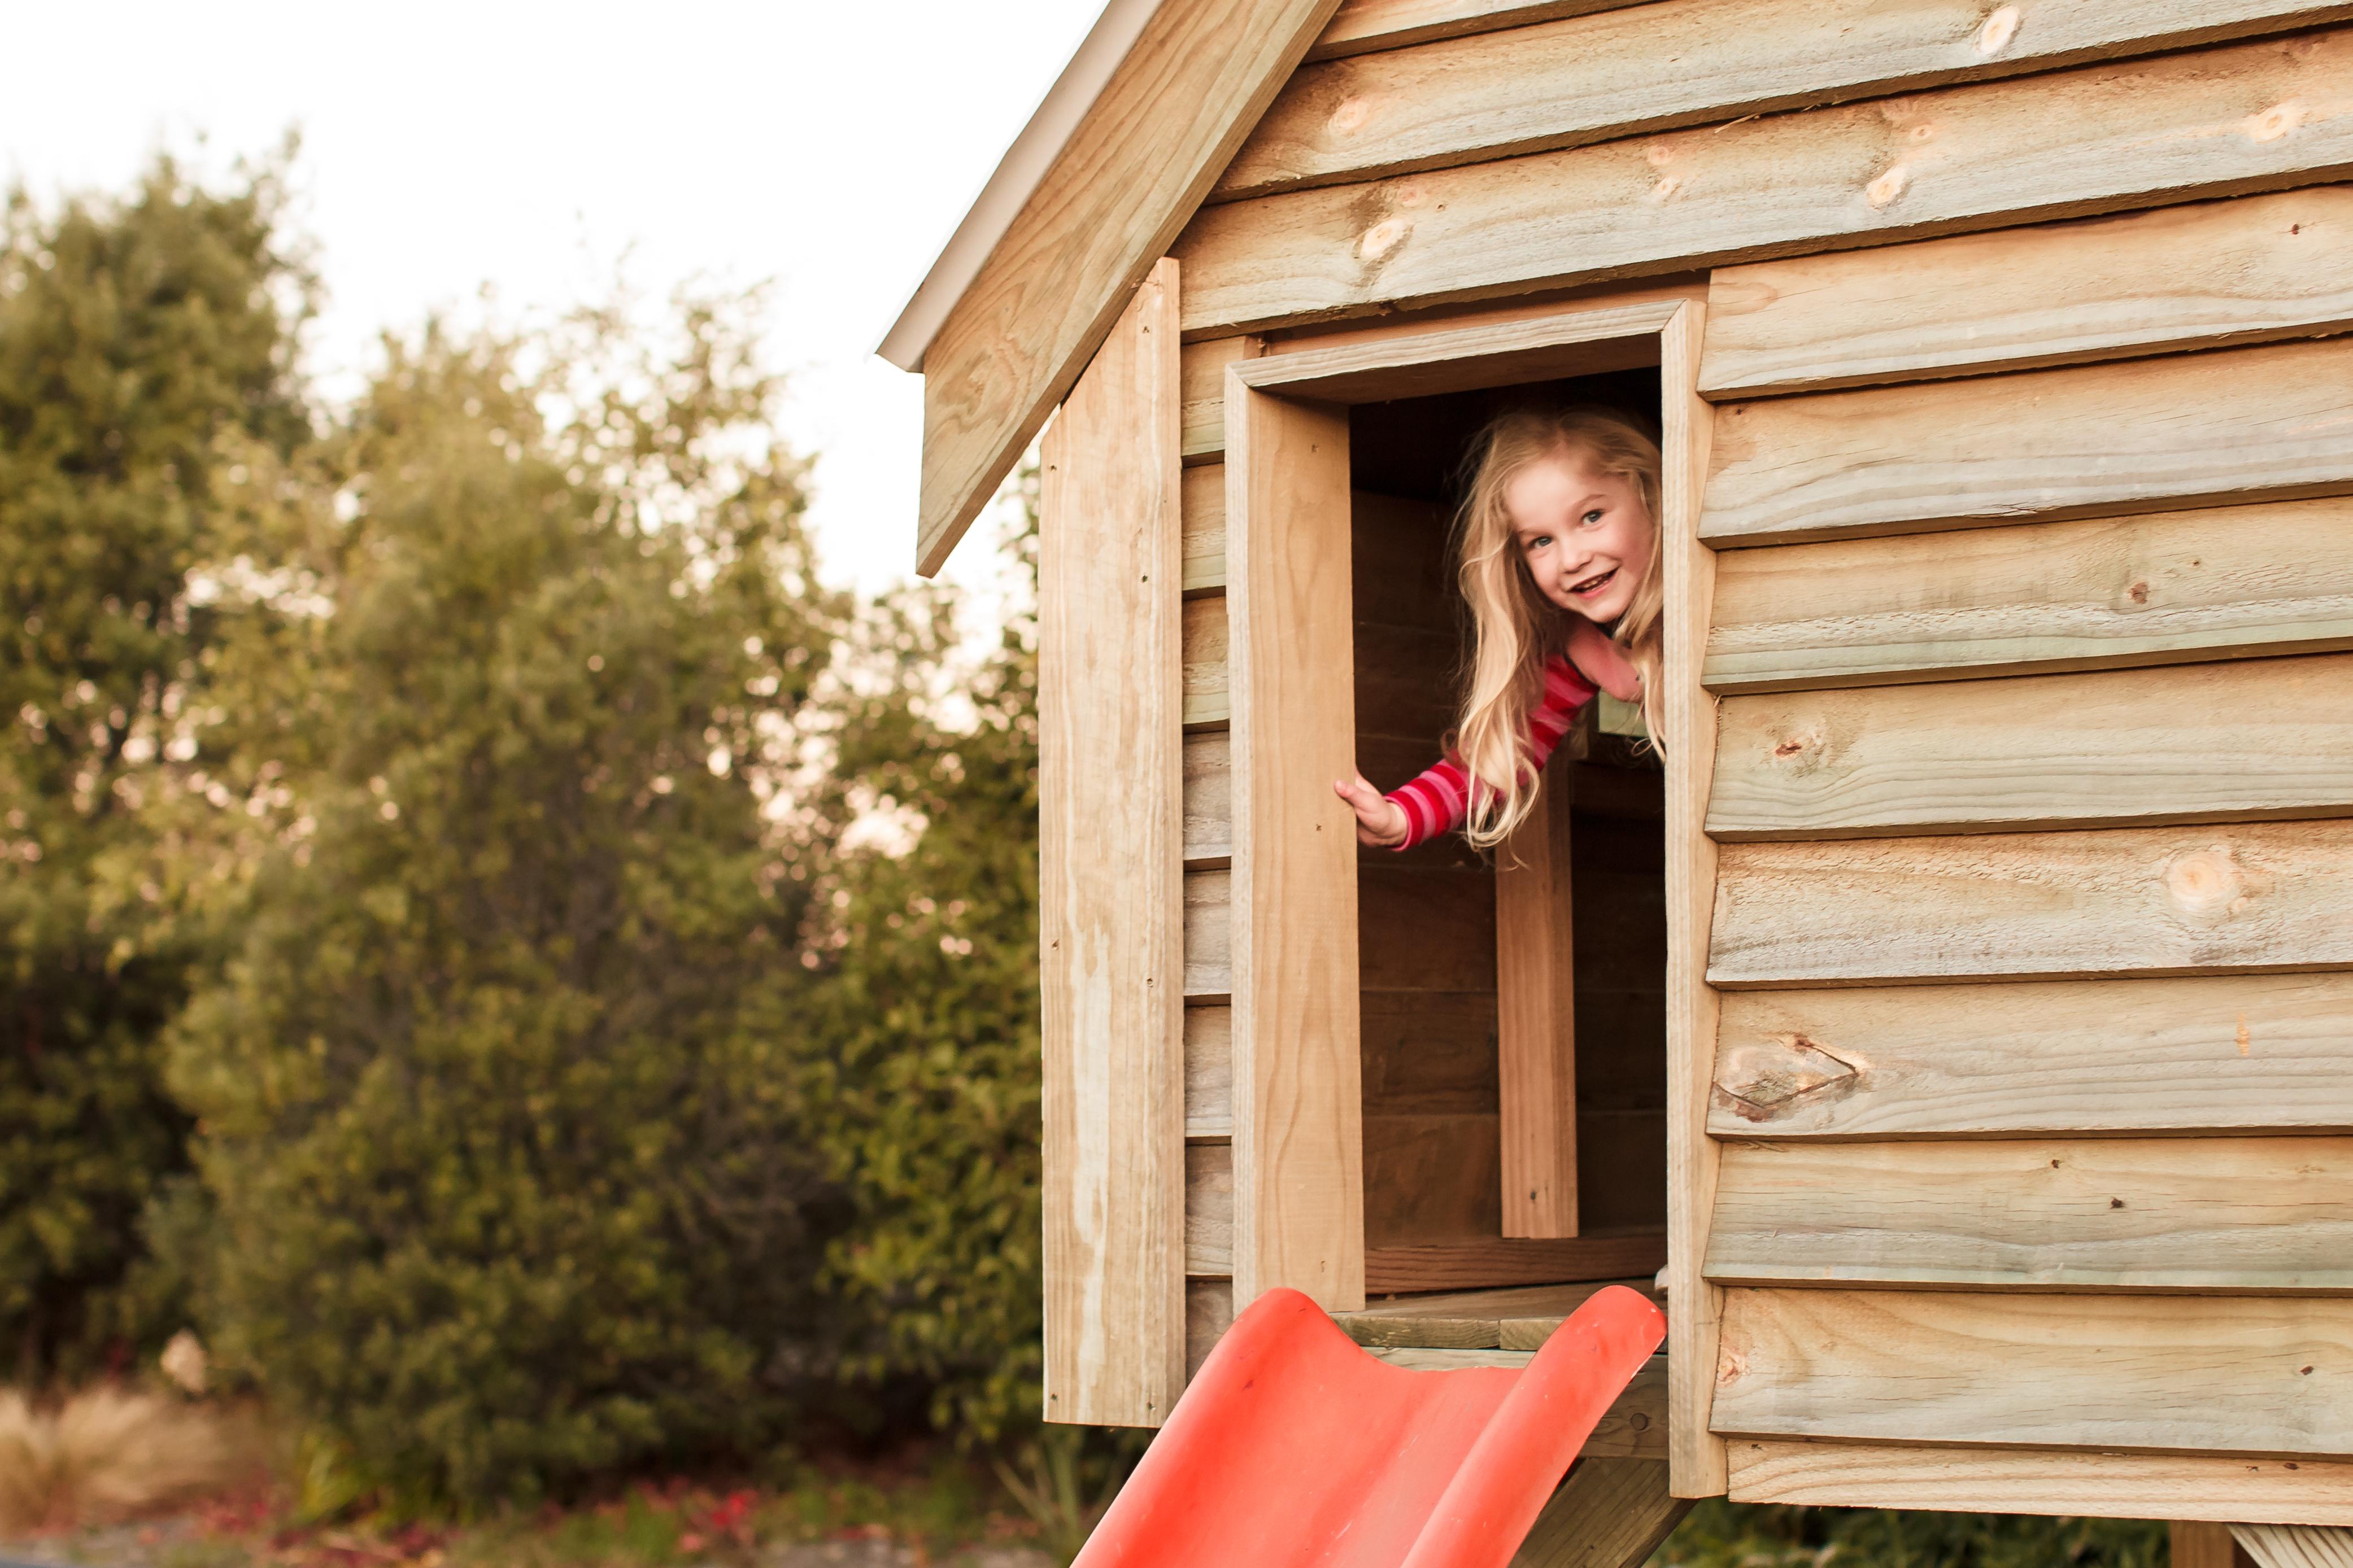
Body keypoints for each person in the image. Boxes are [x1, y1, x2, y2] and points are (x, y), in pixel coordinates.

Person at [1334, 405, 1663, 851]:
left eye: (1592, 517)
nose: (1572, 559)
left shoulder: (1706, 599)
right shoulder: (1579, 646)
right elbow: (1497, 761)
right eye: (1541, 541)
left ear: (1651, 496)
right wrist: (1398, 818)